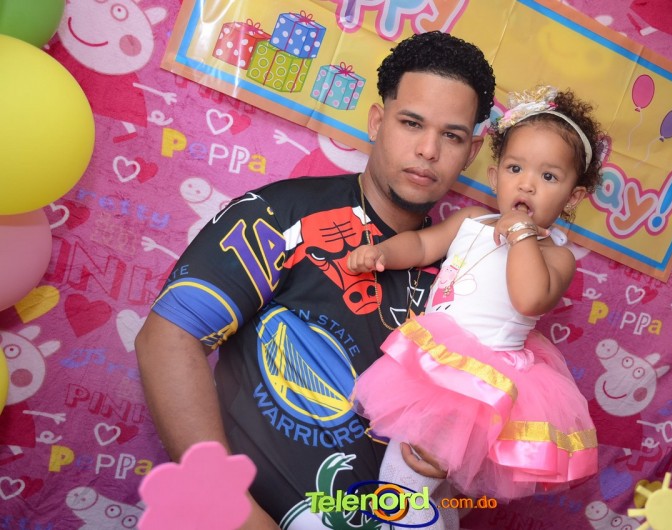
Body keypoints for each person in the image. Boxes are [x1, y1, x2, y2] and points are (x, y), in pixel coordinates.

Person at [134, 31, 495, 529]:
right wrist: (227, 507)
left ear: (472, 151)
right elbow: (168, 338)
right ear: (377, 121)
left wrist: (449, 464)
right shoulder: (285, 214)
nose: (428, 149)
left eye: (451, 136)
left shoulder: (468, 272)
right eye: (411, 123)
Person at [347, 86, 602, 529]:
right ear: (495, 175)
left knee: (411, 483)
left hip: (480, 387)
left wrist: (521, 233)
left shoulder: (556, 256)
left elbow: (529, 298)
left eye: (548, 177)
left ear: (573, 197)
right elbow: (422, 244)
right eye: (516, 168)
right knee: (419, 484)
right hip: (435, 364)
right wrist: (382, 252)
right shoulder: (471, 222)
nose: (526, 184)